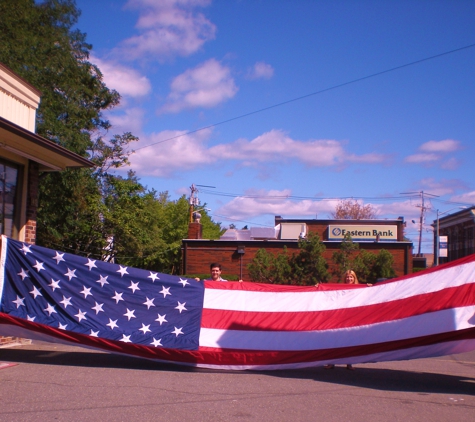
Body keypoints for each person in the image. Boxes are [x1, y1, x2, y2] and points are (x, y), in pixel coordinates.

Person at [324, 270, 361, 370]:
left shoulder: (360, 290)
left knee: (349, 342)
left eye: (351, 277)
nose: (349, 279)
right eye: (348, 277)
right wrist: (318, 287)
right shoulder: (340, 289)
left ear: (354, 278)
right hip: (340, 319)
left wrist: (369, 287)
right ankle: (331, 363)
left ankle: (349, 363)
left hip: (352, 320)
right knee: (335, 340)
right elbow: (329, 293)